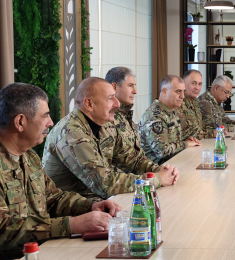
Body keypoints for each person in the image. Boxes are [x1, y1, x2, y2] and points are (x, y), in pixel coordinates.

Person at [0, 83, 122, 260]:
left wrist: (91, 205)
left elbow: (53, 198)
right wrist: (71, 225)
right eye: (45, 116)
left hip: (37, 259)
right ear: (20, 122)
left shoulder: (28, 155)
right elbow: (3, 232)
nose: (51, 122)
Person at [43, 77, 179, 199]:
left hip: (98, 203)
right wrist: (156, 179)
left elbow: (132, 159)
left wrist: (159, 171)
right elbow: (104, 184)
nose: (117, 104)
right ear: (89, 104)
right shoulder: (71, 133)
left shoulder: (104, 124)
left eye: (115, 97)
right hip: (74, 210)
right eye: (110, 98)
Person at [139, 75, 201, 164]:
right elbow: (162, 152)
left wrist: (186, 139)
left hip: (174, 163)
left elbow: (172, 141)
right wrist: (186, 144)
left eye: (183, 92)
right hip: (158, 168)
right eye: (178, 91)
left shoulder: (170, 110)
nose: (182, 96)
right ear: (164, 91)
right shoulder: (155, 115)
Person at [105, 66, 143, 153]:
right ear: (114, 87)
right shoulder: (107, 117)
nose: (135, 91)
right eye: (130, 86)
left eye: (134, 86)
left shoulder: (125, 113)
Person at [179, 69, 215, 140]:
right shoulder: (178, 102)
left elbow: (201, 127)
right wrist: (212, 133)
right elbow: (186, 133)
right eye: (193, 83)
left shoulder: (195, 102)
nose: (197, 88)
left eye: (200, 84)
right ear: (184, 82)